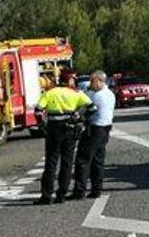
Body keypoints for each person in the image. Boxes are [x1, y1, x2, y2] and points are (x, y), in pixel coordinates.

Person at [33, 69, 97, 205]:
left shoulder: (50, 92)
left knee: (51, 163)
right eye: (74, 79)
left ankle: (46, 196)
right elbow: (92, 108)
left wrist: (42, 125)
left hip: (53, 130)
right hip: (70, 130)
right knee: (67, 163)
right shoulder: (76, 93)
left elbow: (38, 111)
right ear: (69, 80)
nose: (75, 81)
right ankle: (61, 195)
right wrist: (80, 118)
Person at [70, 71, 115, 200]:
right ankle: (96, 190)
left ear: (100, 80)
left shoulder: (97, 96)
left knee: (83, 160)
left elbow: (86, 110)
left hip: (95, 128)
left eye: (92, 81)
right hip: (105, 128)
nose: (90, 84)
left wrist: (78, 118)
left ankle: (79, 191)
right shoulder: (110, 94)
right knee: (98, 160)